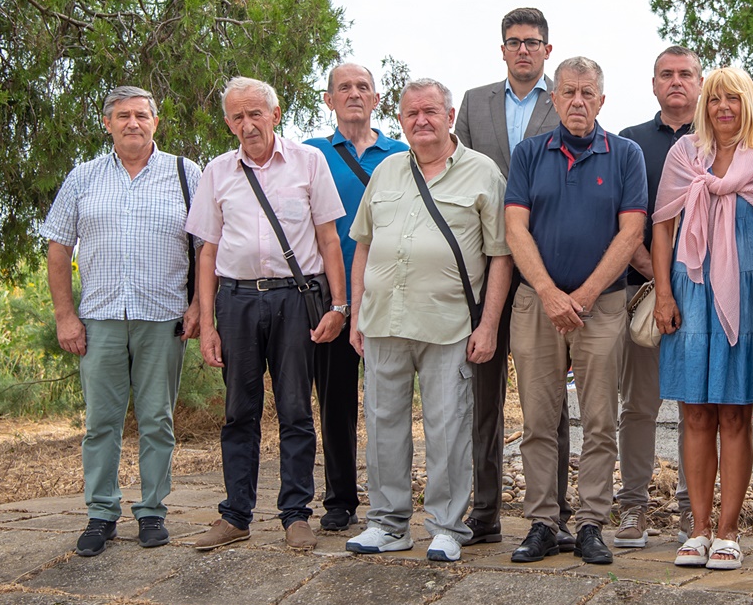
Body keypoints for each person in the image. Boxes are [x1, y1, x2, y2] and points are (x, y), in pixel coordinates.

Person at [345, 79, 512, 562]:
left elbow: (500, 255)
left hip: (449, 325)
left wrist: (488, 326)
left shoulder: (482, 173)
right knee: (383, 426)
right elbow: (363, 245)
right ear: (400, 119)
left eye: (430, 111)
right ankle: (387, 524)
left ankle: (446, 526)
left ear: (450, 115)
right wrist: (356, 312)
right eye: (412, 113)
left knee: (448, 429)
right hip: (383, 322)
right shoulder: (387, 171)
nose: (421, 120)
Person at [186, 77, 348, 552]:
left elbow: (329, 240)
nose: (248, 124)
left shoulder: (308, 161)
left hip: (295, 299)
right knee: (239, 412)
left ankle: (296, 516)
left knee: (296, 410)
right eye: (237, 116)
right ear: (228, 123)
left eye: (255, 113)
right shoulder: (217, 171)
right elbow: (207, 252)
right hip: (236, 301)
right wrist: (208, 325)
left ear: (275, 115)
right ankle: (235, 515)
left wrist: (339, 307)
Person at [42, 86, 201, 556]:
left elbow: (206, 247)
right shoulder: (83, 177)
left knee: (157, 420)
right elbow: (58, 246)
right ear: (107, 123)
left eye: (142, 115)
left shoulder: (185, 173)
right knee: (101, 424)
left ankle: (152, 511)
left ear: (155, 122)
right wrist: (65, 316)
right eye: (123, 115)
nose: (133, 122)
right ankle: (101, 514)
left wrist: (198, 306)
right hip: (100, 320)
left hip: (163, 317)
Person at [503, 57, 647, 565]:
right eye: (568, 92)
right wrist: (548, 293)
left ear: (602, 100)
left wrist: (582, 297)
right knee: (539, 420)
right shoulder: (528, 153)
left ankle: (590, 524)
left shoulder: (625, 155)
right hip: (536, 304)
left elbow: (631, 233)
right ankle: (544, 522)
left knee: (600, 421)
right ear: (554, 98)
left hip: (601, 307)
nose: (578, 101)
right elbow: (515, 228)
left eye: (588, 93)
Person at [653, 67, 753, 571]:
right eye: (714, 99)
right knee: (694, 412)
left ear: (748, 103)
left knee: (735, 414)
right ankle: (697, 528)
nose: (723, 108)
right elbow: (662, 226)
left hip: (748, 296)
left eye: (733, 98)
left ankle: (729, 531)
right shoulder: (684, 155)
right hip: (690, 292)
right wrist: (663, 294)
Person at [454, 7, 574, 549]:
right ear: (501, 49)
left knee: (548, 405)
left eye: (532, 41)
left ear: (547, 49)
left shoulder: (565, 100)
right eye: (513, 41)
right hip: (482, 271)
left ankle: (556, 514)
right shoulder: (474, 103)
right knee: (483, 401)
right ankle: (484, 512)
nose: (522, 49)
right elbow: (457, 172)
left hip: (543, 270)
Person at [304, 62, 408, 533]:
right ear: (328, 100)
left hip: (389, 293)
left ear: (376, 99)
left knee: (391, 403)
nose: (354, 94)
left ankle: (396, 499)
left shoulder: (401, 154)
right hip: (332, 298)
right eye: (343, 87)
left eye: (363, 86)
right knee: (335, 403)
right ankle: (340, 499)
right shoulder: (311, 154)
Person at [616, 46, 702, 547]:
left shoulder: (717, 140)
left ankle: (693, 509)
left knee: (696, 406)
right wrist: (659, 277)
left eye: (685, 74)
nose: (676, 82)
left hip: (704, 293)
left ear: (700, 83)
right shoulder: (630, 142)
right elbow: (620, 218)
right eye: (666, 74)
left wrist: (682, 282)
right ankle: (633, 507)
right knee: (639, 405)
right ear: (653, 85)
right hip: (642, 293)